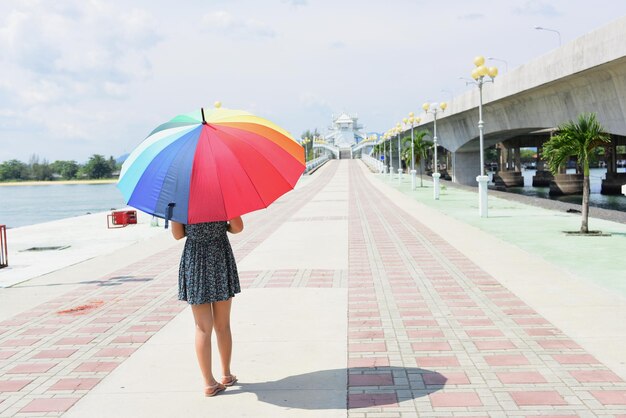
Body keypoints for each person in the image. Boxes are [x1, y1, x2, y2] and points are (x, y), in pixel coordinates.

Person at [171, 217, 244, 397]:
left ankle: (209, 382)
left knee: (202, 328)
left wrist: (195, 230)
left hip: (194, 260)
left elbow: (177, 234)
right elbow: (238, 227)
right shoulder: (222, 194)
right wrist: (221, 227)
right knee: (223, 325)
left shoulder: (181, 198)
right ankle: (226, 375)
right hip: (219, 257)